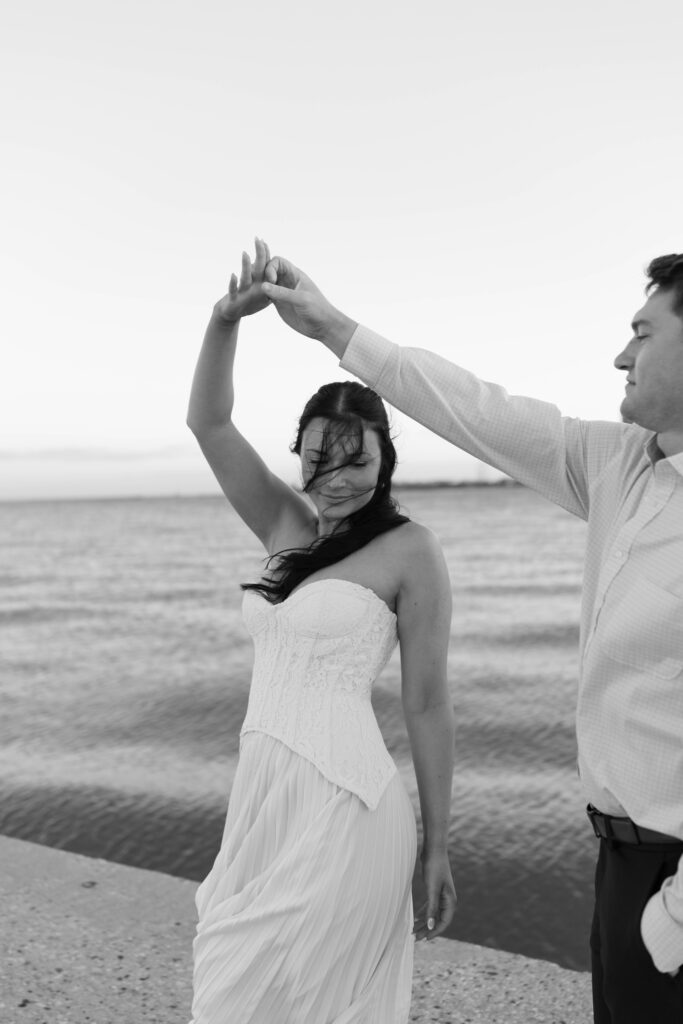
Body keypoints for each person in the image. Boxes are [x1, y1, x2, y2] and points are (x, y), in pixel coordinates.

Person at [260, 251, 683, 1023]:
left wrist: (675, 917)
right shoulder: (615, 463)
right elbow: (475, 409)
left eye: (642, 333)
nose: (621, 355)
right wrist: (332, 328)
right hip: (620, 865)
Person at [185, 239, 457, 1024]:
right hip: (264, 802)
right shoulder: (285, 528)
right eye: (318, 458)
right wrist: (224, 320)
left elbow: (428, 707)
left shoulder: (412, 552)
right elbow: (208, 421)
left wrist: (438, 846)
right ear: (299, 456)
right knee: (231, 990)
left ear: (385, 458)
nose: (335, 478)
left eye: (355, 460)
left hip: (349, 806)